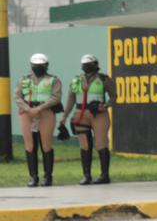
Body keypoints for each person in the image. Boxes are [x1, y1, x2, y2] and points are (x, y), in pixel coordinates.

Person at [61, 54, 114, 184]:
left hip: (98, 114)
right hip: (80, 114)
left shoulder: (104, 79)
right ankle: (86, 175)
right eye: (84, 64)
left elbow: (113, 96)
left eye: (89, 64)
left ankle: (104, 175)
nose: (86, 66)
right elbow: (70, 99)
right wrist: (65, 116)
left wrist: (105, 105)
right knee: (84, 144)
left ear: (96, 65)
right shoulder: (76, 80)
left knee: (100, 143)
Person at [16, 53, 62, 187]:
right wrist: (28, 108)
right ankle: (33, 177)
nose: (38, 68)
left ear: (46, 66)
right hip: (27, 113)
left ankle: (48, 177)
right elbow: (17, 96)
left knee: (46, 145)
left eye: (40, 66)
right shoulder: (24, 80)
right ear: (31, 66)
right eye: (35, 66)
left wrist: (40, 108)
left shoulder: (54, 80)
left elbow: (56, 97)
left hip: (46, 112)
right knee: (30, 146)